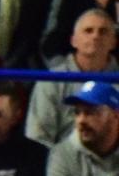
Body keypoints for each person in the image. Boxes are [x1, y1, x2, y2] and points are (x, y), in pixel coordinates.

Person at [31, 8, 117, 145]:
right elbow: (39, 138)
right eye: (88, 31)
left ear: (114, 42)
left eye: (103, 31)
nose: (96, 36)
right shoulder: (50, 81)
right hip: (62, 161)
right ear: (74, 40)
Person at [47, 82, 119, 176]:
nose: (81, 120)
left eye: (91, 112)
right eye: (77, 112)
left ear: (115, 115)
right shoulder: (62, 154)